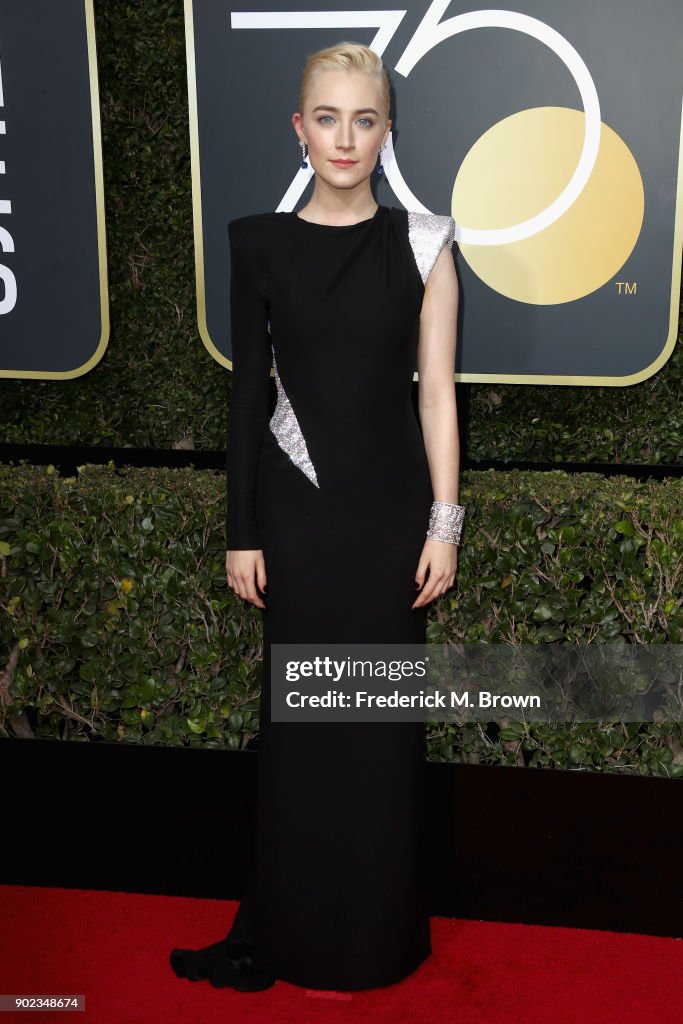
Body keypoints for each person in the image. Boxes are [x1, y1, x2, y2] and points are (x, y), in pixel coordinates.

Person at [170, 40, 462, 993]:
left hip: (387, 530)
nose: (345, 137)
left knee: (376, 733)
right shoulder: (259, 243)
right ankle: (292, 935)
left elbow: (437, 399)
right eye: (326, 118)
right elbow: (247, 397)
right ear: (299, 129)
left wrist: (443, 525)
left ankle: (371, 940)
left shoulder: (425, 243)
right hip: (296, 524)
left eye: (364, 119)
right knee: (300, 734)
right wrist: (241, 531)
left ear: (386, 132)